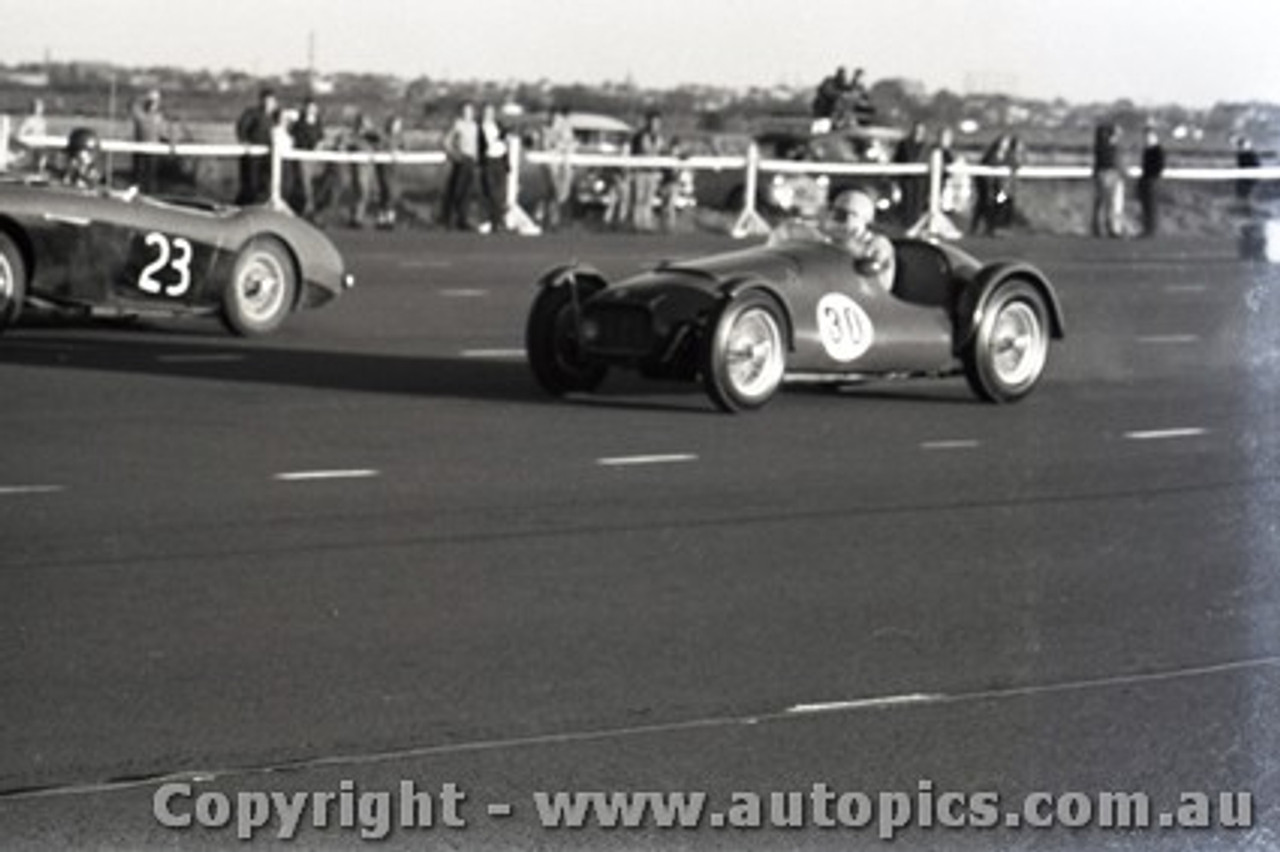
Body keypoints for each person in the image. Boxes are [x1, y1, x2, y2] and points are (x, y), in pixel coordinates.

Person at [821, 189, 895, 291]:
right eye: (834, 211)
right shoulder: (830, 240)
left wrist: (849, 245)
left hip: (866, 300)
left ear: (864, 219)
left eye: (842, 214)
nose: (835, 218)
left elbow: (874, 280)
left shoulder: (877, 244)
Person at [235, 87, 278, 205]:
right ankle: (241, 207)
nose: (269, 104)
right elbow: (241, 128)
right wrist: (244, 141)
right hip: (252, 156)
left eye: (272, 101)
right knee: (250, 184)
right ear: (262, 101)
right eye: (267, 101)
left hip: (268, 157)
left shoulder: (275, 117)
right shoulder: (252, 113)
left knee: (264, 183)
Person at [441, 101, 478, 230]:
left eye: (470, 111)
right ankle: (450, 218)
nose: (467, 113)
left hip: (471, 160)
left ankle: (463, 219)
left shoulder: (474, 126)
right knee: (457, 189)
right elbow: (446, 141)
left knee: (467, 191)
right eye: (465, 111)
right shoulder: (458, 125)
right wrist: (453, 154)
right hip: (461, 159)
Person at [288, 97, 325, 219]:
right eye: (309, 108)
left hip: (316, 158)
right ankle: (308, 209)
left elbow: (321, 138)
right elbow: (296, 137)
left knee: (316, 184)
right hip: (303, 157)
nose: (311, 110)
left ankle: (313, 208)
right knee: (305, 184)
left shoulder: (318, 122)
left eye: (313, 108)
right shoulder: (299, 123)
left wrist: (319, 146)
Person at [629, 111, 664, 232]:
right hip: (640, 172)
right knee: (639, 198)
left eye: (657, 122)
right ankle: (637, 223)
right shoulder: (639, 136)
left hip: (652, 173)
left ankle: (646, 223)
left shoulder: (659, 138)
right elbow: (634, 153)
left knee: (649, 199)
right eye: (653, 122)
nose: (655, 125)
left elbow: (661, 153)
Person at [542, 106, 575, 230]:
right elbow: (546, 146)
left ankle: (557, 219)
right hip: (551, 165)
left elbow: (569, 144)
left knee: (562, 193)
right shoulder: (546, 129)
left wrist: (561, 146)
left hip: (564, 165)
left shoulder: (566, 128)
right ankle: (551, 220)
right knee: (553, 192)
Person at [476, 103, 508, 233]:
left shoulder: (498, 125)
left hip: (500, 160)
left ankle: (499, 220)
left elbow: (505, 141)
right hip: (489, 160)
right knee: (491, 192)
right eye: (487, 112)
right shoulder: (480, 127)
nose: (490, 114)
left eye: (491, 112)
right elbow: (480, 145)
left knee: (501, 192)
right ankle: (493, 221)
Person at [130, 89, 169, 194]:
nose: (153, 104)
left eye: (155, 101)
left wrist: (168, 142)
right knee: (137, 176)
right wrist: (144, 98)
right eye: (151, 101)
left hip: (153, 151)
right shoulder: (139, 114)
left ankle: (149, 195)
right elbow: (131, 105)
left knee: (150, 177)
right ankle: (136, 194)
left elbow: (163, 134)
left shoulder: (159, 117)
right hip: (139, 150)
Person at [1092, 122, 1125, 238]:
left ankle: (1103, 228)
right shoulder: (1109, 148)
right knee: (1110, 203)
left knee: (1105, 203)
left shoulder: (1102, 147)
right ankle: (1110, 228)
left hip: (1106, 174)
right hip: (1109, 174)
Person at [893, 122, 929, 227]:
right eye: (916, 130)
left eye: (920, 131)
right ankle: (906, 224)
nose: (917, 133)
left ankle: (916, 224)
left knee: (918, 203)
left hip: (920, 180)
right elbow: (897, 160)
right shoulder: (904, 145)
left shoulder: (926, 147)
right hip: (906, 179)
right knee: (907, 202)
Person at [375, 114, 405, 229]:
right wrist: (388, 152)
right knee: (386, 191)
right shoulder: (383, 136)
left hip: (395, 168)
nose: (396, 127)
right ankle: (383, 218)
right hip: (384, 168)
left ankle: (390, 217)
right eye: (395, 124)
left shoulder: (400, 138)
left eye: (398, 125)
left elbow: (404, 148)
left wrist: (399, 152)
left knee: (393, 192)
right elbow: (379, 148)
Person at [1137, 127, 1166, 237]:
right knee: (1146, 206)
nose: (1146, 139)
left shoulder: (1157, 150)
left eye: (1148, 137)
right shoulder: (1147, 150)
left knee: (1152, 206)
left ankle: (1152, 229)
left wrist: (1153, 175)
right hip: (1146, 179)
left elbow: (1159, 166)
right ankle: (1147, 228)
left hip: (1152, 180)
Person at [16, 97, 49, 171]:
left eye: (40, 107)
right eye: (36, 106)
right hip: (29, 145)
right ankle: (36, 169)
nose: (38, 109)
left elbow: (44, 134)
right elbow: (19, 134)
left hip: (40, 144)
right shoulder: (28, 120)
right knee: (40, 153)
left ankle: (40, 169)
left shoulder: (43, 121)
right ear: (32, 108)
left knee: (45, 152)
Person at [1235, 136, 1261, 202]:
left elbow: (1257, 166)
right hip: (1243, 178)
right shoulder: (1240, 155)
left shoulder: (1252, 154)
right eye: (1242, 146)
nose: (1243, 147)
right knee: (1242, 191)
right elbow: (1240, 166)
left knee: (1248, 189)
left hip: (1251, 177)